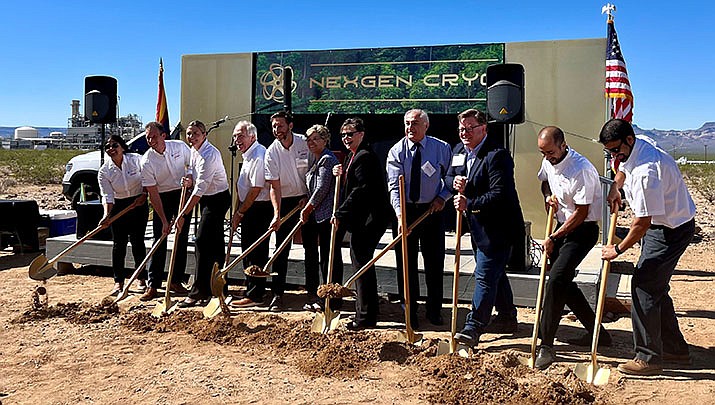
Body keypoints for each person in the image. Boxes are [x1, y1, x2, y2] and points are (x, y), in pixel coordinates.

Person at [600, 118, 695, 376]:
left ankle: (649, 357)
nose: (613, 156)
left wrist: (617, 251)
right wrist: (616, 186)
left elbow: (641, 224)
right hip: (664, 225)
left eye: (616, 150)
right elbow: (623, 167)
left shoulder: (646, 172)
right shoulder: (639, 145)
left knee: (643, 286)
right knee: (654, 287)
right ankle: (675, 348)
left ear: (629, 140)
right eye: (609, 151)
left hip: (670, 230)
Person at [533, 126, 611, 369]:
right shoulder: (548, 160)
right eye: (543, 152)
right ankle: (599, 333)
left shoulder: (582, 169)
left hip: (582, 231)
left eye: (550, 152)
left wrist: (554, 238)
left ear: (563, 144)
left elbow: (581, 212)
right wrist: (547, 197)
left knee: (555, 280)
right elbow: (545, 182)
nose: (547, 157)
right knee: (564, 283)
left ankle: (546, 345)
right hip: (561, 226)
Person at [447, 108, 523, 347]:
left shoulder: (497, 155)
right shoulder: (459, 151)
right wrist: (454, 182)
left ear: (484, 129)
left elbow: (500, 194)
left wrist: (470, 204)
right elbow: (449, 176)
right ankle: (508, 317)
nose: (465, 133)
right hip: (477, 227)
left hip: (500, 226)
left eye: (470, 128)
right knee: (495, 273)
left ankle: (473, 327)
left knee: (485, 275)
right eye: (462, 129)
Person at [386, 109, 452, 328]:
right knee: (406, 263)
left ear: (426, 125)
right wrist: (399, 215)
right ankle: (410, 310)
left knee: (434, 262)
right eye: (406, 123)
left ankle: (434, 310)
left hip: (432, 210)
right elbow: (394, 186)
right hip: (406, 211)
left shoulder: (441, 148)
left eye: (414, 123)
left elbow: (451, 178)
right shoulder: (397, 151)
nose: (410, 128)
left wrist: (443, 197)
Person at [332, 117, 391, 329]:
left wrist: (340, 213)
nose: (346, 138)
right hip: (362, 217)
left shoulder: (365, 157)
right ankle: (364, 312)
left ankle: (365, 317)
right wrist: (340, 172)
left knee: (361, 262)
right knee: (359, 260)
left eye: (350, 134)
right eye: (343, 134)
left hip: (371, 218)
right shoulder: (351, 156)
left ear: (361, 134)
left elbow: (361, 190)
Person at [175, 120, 231, 307]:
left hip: (217, 199)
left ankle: (199, 291)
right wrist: (189, 177)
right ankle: (218, 288)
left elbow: (199, 190)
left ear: (204, 134)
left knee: (201, 240)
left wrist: (182, 214)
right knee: (214, 244)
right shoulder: (193, 150)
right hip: (207, 198)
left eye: (196, 133)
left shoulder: (210, 155)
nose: (192, 137)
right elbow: (191, 168)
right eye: (189, 134)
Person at [138, 122, 192, 301]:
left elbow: (192, 164)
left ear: (164, 136)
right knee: (158, 240)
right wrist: (163, 220)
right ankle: (153, 284)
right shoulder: (146, 161)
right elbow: (152, 194)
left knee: (181, 237)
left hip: (183, 193)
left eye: (153, 136)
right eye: (148, 137)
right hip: (162, 197)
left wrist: (190, 178)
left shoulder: (180, 146)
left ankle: (176, 281)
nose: (150, 140)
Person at [265, 111, 309, 311]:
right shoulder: (271, 152)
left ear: (290, 126)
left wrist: (309, 198)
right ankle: (277, 295)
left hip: (309, 200)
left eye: (280, 125)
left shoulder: (305, 143)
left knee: (311, 249)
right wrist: (276, 214)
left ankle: (313, 294)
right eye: (274, 126)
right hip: (286, 203)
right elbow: (274, 186)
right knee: (281, 250)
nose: (276, 130)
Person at [97, 134, 149, 295]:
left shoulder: (136, 160)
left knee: (137, 242)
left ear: (122, 147)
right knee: (119, 245)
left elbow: (148, 177)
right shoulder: (104, 171)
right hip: (119, 206)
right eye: (108, 147)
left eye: (114, 145)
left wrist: (144, 194)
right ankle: (118, 282)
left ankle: (141, 279)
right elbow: (108, 196)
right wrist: (107, 215)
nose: (111, 149)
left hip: (138, 204)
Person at [230, 121, 273, 308]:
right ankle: (251, 288)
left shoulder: (258, 155)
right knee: (248, 251)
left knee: (255, 253)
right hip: (249, 208)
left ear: (252, 136)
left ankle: (256, 295)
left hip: (258, 209)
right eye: (235, 136)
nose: (236, 140)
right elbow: (244, 189)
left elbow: (256, 189)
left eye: (240, 135)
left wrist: (240, 212)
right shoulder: (247, 155)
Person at [300, 124, 342, 311]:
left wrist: (308, 207)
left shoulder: (327, 160)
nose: (311, 142)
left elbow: (322, 189)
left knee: (328, 257)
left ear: (325, 140)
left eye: (315, 138)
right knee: (310, 254)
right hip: (313, 215)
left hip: (324, 216)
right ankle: (314, 294)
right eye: (308, 139)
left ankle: (331, 298)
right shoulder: (314, 159)